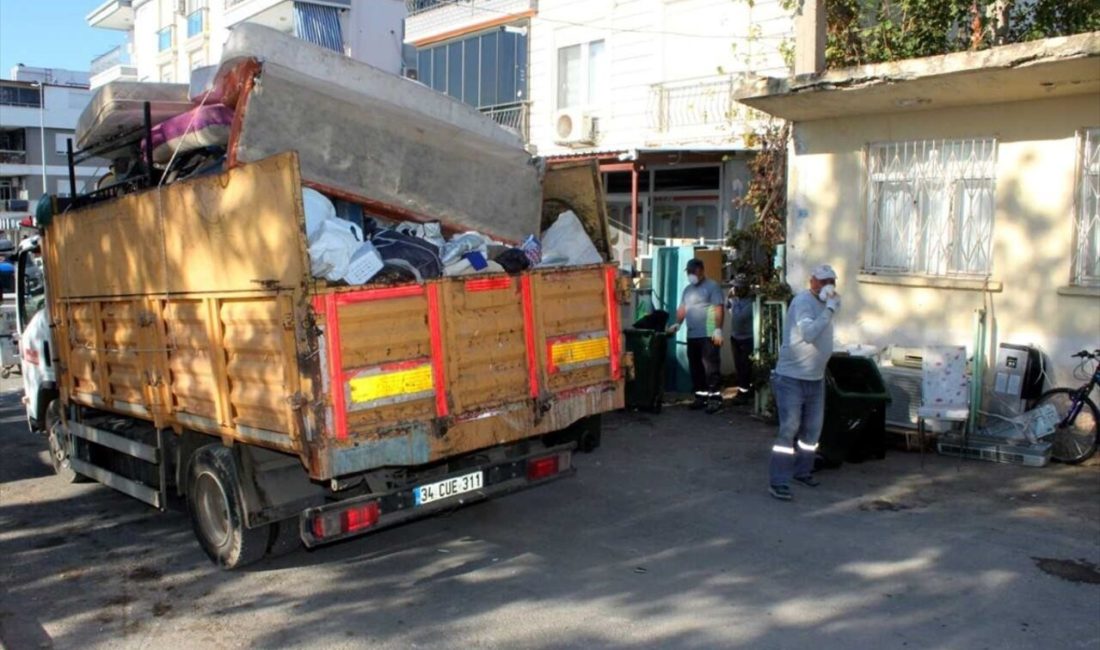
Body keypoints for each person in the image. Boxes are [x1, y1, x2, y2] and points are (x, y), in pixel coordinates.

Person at [767, 263, 840, 501]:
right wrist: (829, 310)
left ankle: (802, 470)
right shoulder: (802, 303)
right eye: (823, 281)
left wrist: (830, 308)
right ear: (812, 282)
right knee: (789, 429)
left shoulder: (826, 303)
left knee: (812, 431)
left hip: (815, 378)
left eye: (831, 282)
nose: (827, 286)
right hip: (791, 379)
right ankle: (779, 481)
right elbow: (808, 333)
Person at [667, 258, 724, 413]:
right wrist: (677, 323)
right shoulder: (687, 290)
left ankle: (715, 399)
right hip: (692, 334)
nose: (691, 274)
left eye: (693, 271)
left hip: (709, 333)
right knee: (696, 367)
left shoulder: (712, 287)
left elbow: (718, 308)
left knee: (711, 367)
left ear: (701, 270)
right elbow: (683, 308)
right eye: (689, 272)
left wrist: (718, 329)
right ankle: (701, 396)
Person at [726, 274, 755, 399]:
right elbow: (726, 305)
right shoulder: (734, 299)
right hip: (735, 337)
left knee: (746, 366)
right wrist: (729, 296)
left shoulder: (751, 301)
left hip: (748, 338)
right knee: (739, 365)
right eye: (735, 287)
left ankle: (745, 392)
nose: (736, 289)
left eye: (738, 287)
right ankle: (743, 390)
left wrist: (733, 302)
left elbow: (741, 317)